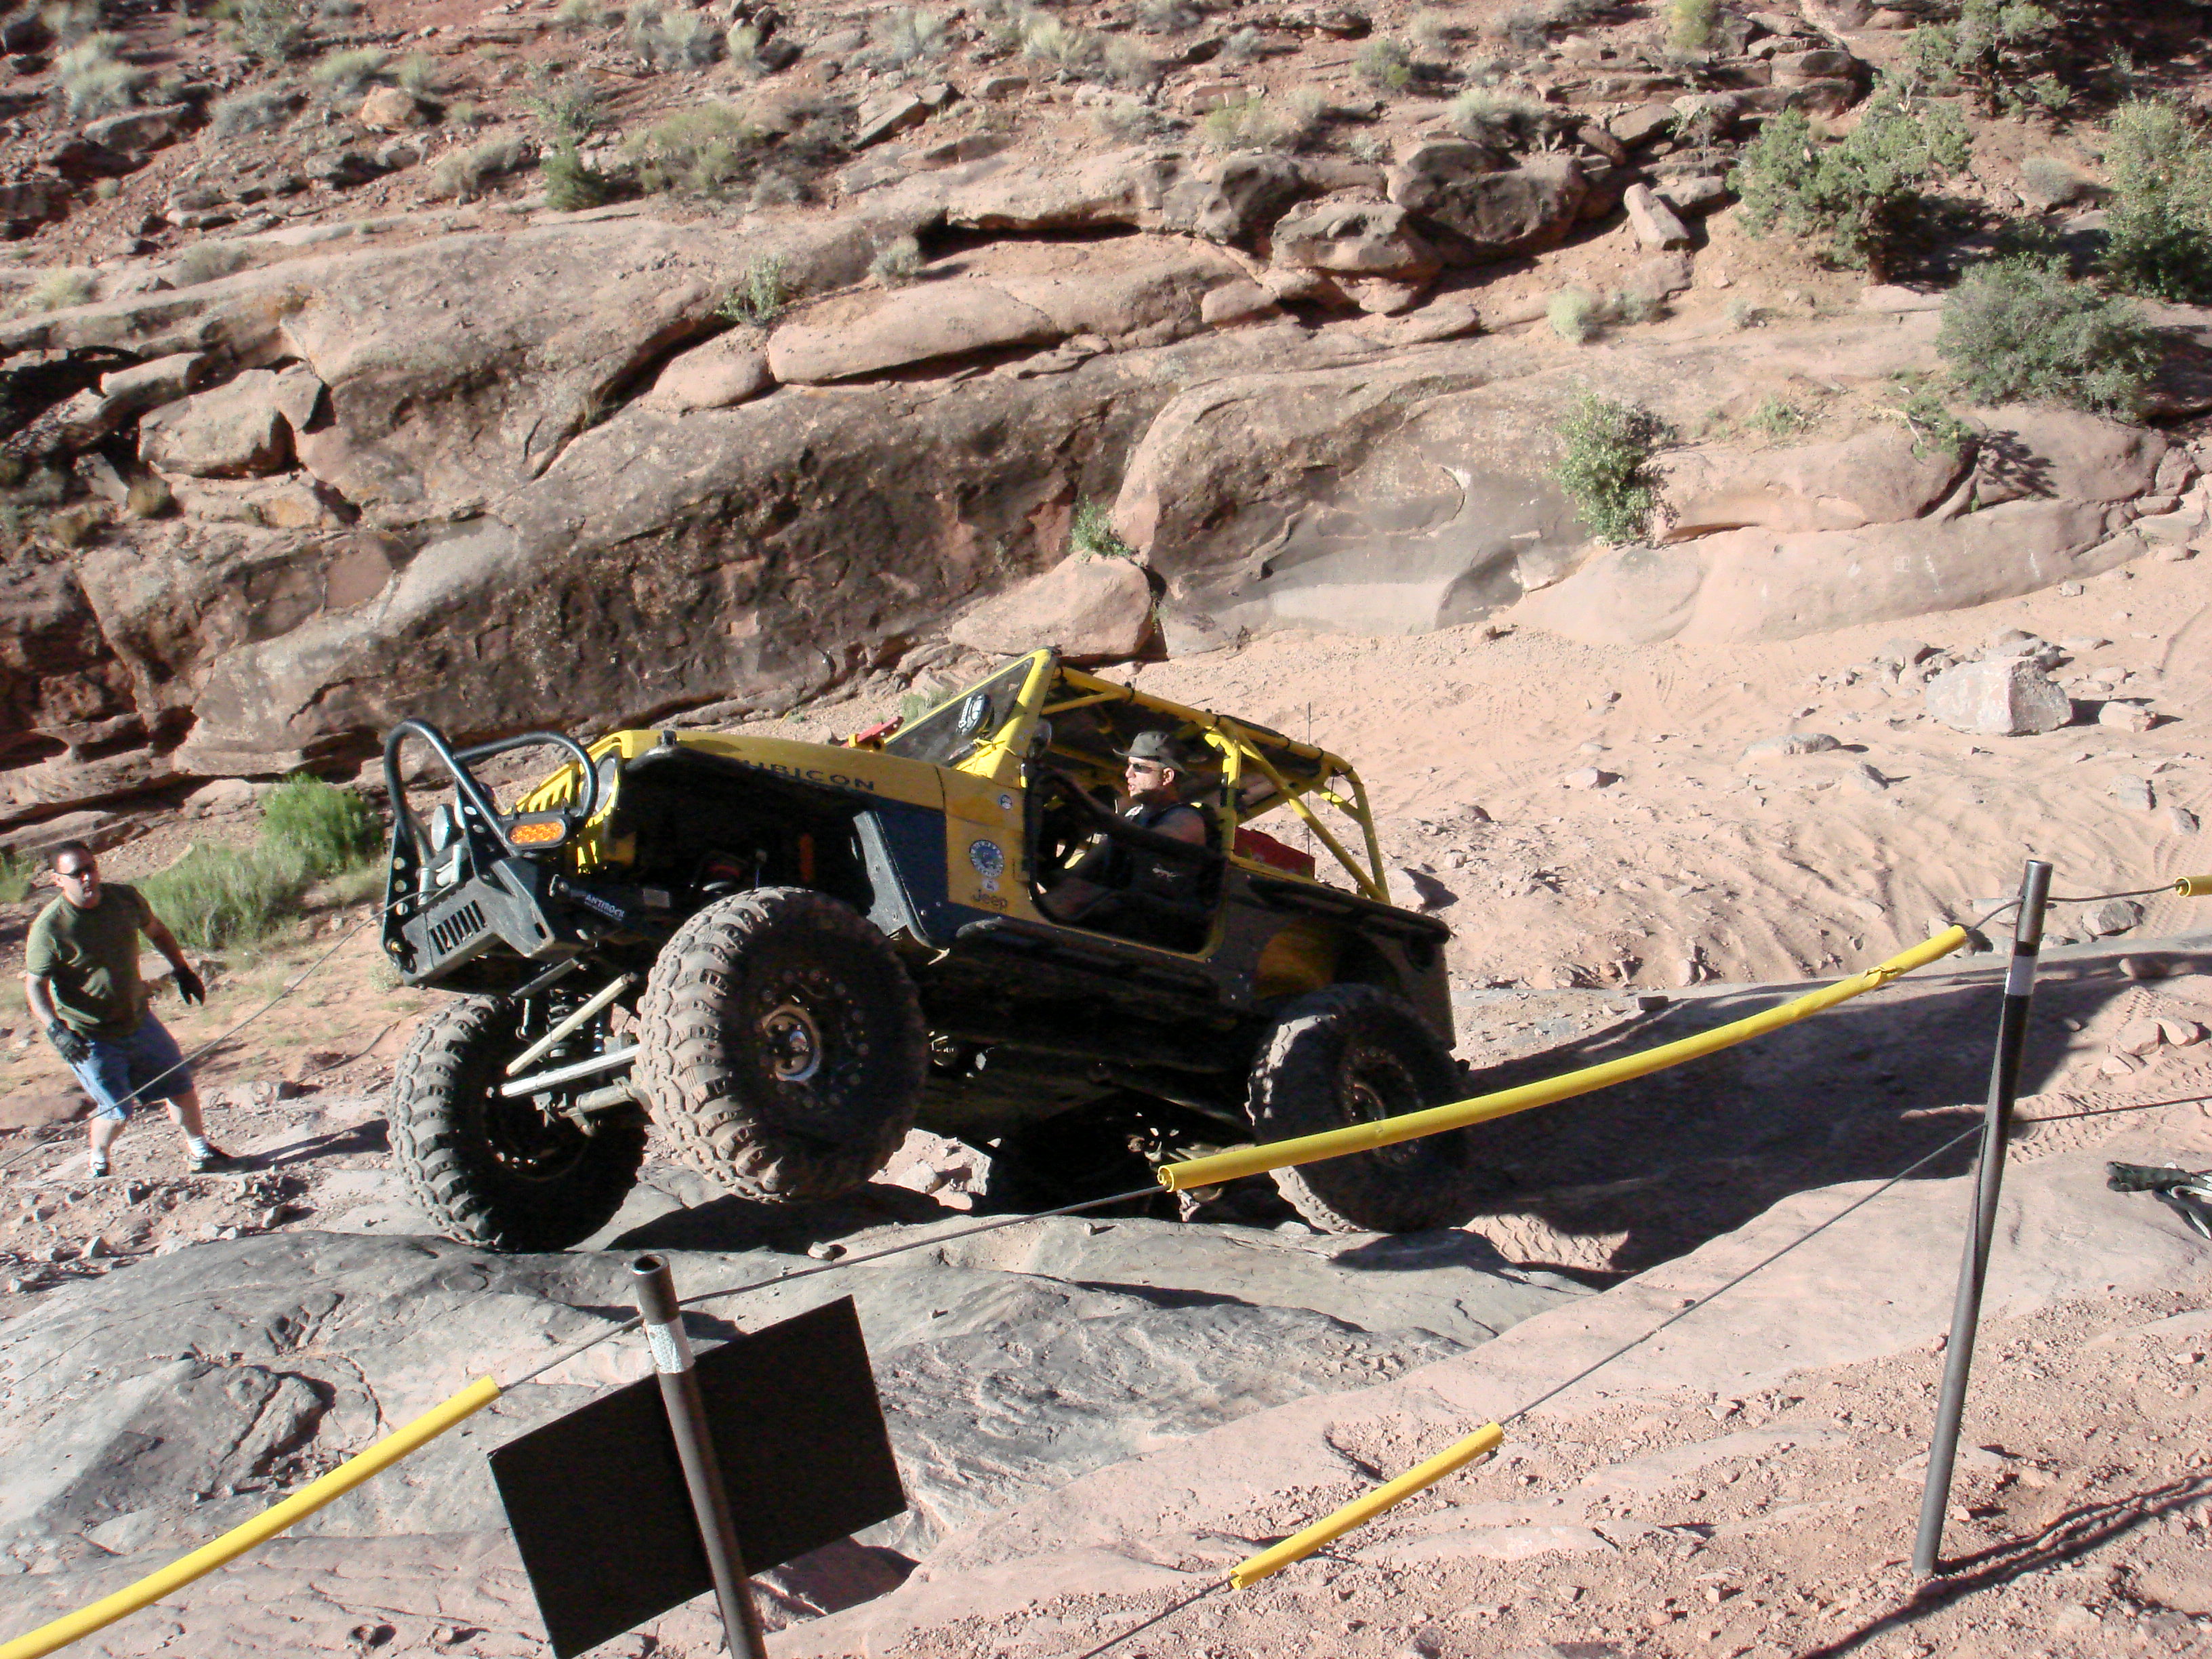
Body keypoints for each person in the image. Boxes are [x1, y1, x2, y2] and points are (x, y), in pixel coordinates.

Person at [22, 842, 224, 1179]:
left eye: (91, 868)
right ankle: (99, 1162)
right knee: (117, 1111)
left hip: (138, 1019)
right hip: (89, 1034)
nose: (87, 878)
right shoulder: (51, 928)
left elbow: (157, 931)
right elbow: (35, 986)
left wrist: (182, 970)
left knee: (179, 1086)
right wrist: (56, 1030)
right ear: (58, 880)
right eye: (76, 873)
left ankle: (200, 1151)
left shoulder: (124, 899)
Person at [1038, 730, 1212, 926]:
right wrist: (1038, 862)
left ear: (1166, 776)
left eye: (1138, 767)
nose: (1128, 774)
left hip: (1159, 921)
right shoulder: (1131, 820)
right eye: (1129, 766)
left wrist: (1079, 794)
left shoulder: (1186, 817)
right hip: (1119, 912)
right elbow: (1074, 879)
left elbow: (1148, 841)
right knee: (1071, 891)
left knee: (1078, 895)